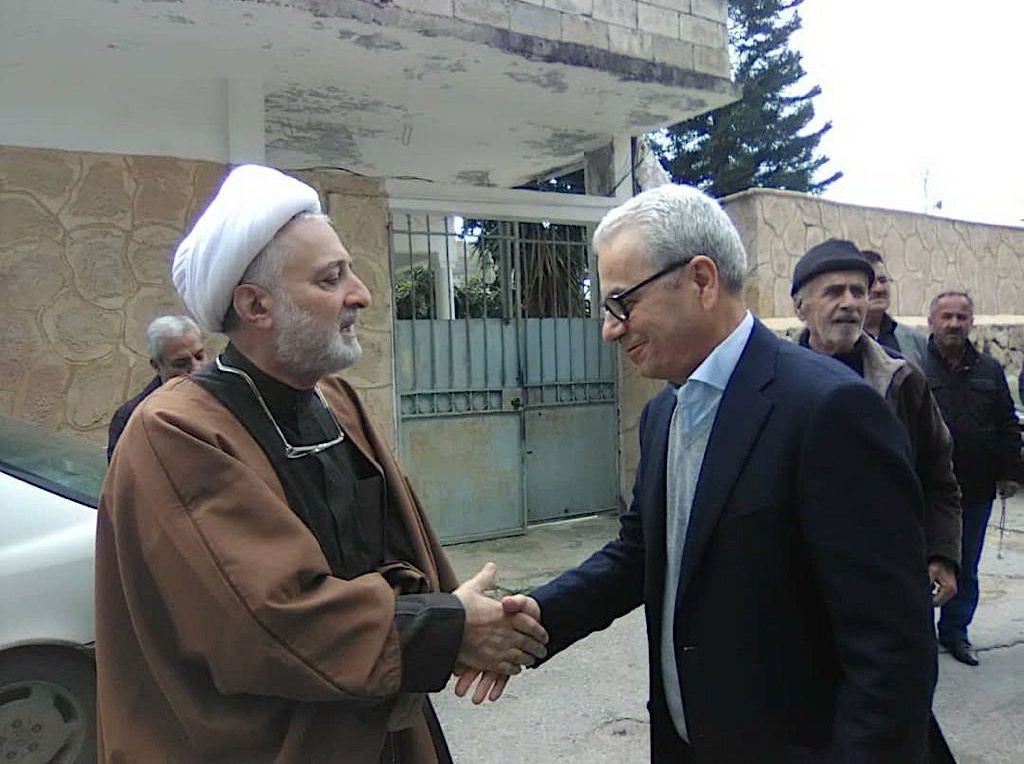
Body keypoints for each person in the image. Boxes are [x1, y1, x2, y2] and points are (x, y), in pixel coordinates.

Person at [460, 185, 937, 762]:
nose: (610, 328)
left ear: (702, 281)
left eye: (621, 303)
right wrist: (538, 617)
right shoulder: (664, 412)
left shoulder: (830, 409)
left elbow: (892, 650)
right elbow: (641, 553)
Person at [95, 164, 547, 764]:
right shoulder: (174, 432)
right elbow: (267, 623)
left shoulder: (334, 400)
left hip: (375, 728)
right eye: (331, 278)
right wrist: (448, 628)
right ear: (256, 304)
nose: (361, 294)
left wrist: (475, 619)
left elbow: (391, 553)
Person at [791, 239, 962, 605]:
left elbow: (939, 477)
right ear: (800, 307)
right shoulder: (773, 383)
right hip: (798, 580)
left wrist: (943, 554)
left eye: (858, 292)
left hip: (887, 573)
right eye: (834, 292)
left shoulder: (902, 379)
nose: (849, 303)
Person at [924, 291, 1024, 666]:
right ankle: (917, 635)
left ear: (971, 322)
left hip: (976, 488)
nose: (954, 324)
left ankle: (955, 632)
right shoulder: (914, 366)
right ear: (931, 322)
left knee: (965, 565)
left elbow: (1007, 424)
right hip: (925, 490)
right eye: (946, 316)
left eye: (961, 317)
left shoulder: (990, 370)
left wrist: (1010, 472)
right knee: (918, 563)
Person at [106, 314, 206, 460]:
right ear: (157, 366)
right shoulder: (130, 418)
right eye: (181, 363)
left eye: (199, 357)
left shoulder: (225, 396)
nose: (196, 369)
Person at [861, 249, 929, 367]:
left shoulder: (915, 341)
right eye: (870, 282)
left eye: (883, 281)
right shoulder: (841, 340)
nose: (879, 289)